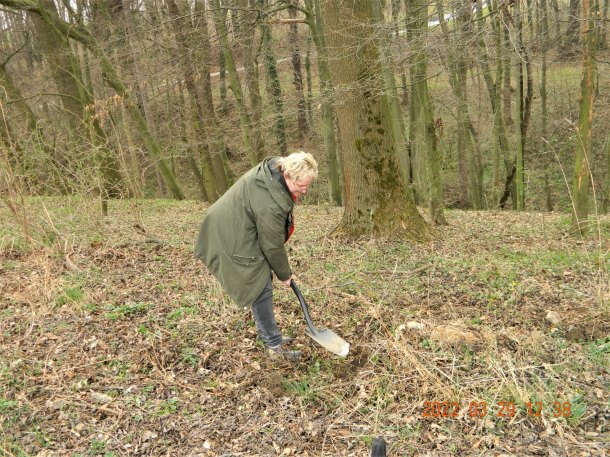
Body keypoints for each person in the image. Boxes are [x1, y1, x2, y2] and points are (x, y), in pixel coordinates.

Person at [194, 152, 318, 361]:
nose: (304, 190)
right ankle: (274, 347)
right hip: (229, 233)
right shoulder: (270, 203)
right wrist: (285, 275)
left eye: (307, 185)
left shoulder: (273, 173)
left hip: (236, 224)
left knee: (262, 280)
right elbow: (271, 245)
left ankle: (270, 336)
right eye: (301, 185)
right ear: (287, 175)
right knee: (260, 286)